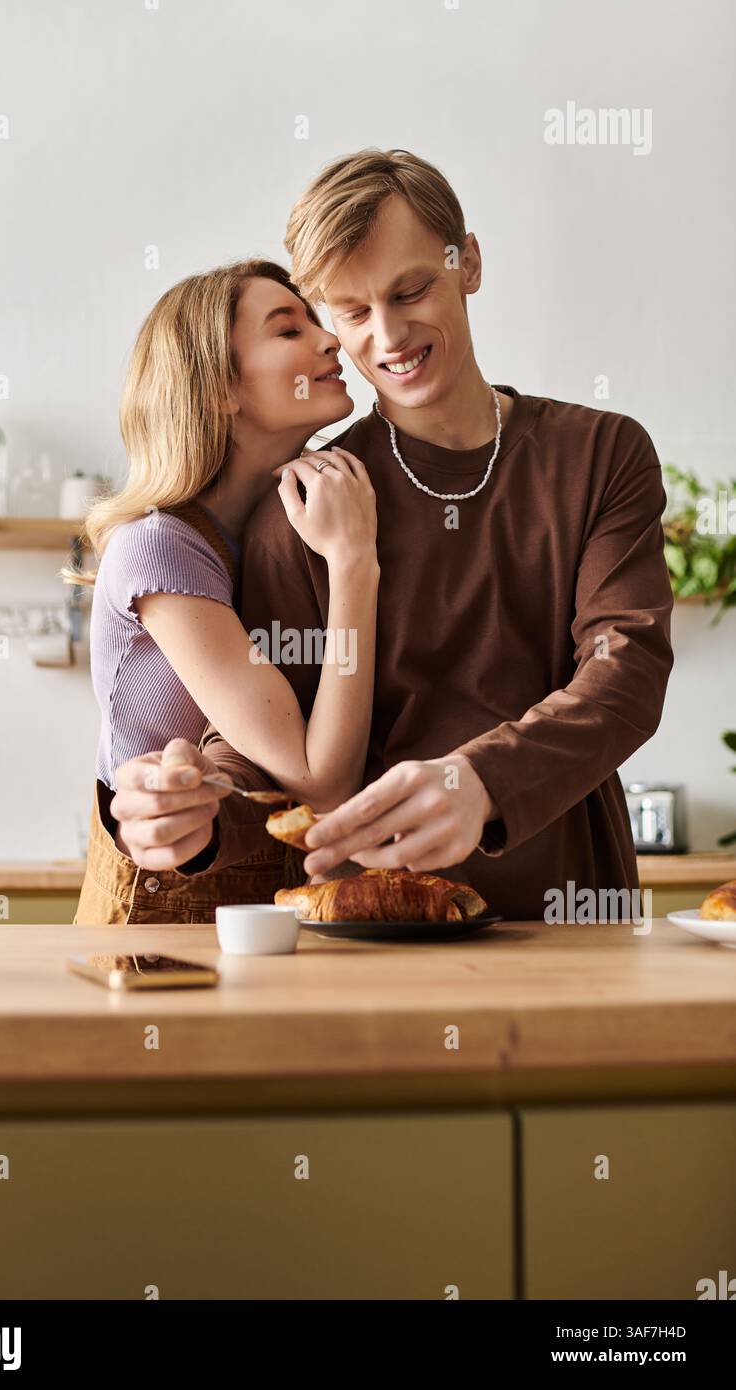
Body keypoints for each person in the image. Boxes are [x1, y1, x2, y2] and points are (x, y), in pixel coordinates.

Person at [109, 148, 674, 922]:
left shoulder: (603, 454)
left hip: (575, 912)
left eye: (412, 290)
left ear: (467, 262)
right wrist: (195, 814)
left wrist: (484, 782)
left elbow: (626, 675)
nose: (389, 334)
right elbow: (267, 758)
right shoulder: (307, 507)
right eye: (351, 310)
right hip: (372, 931)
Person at [70, 259, 378, 925]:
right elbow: (316, 776)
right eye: (287, 330)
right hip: (162, 905)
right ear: (219, 391)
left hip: (259, 901)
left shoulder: (266, 535)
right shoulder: (161, 545)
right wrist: (355, 559)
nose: (329, 340)